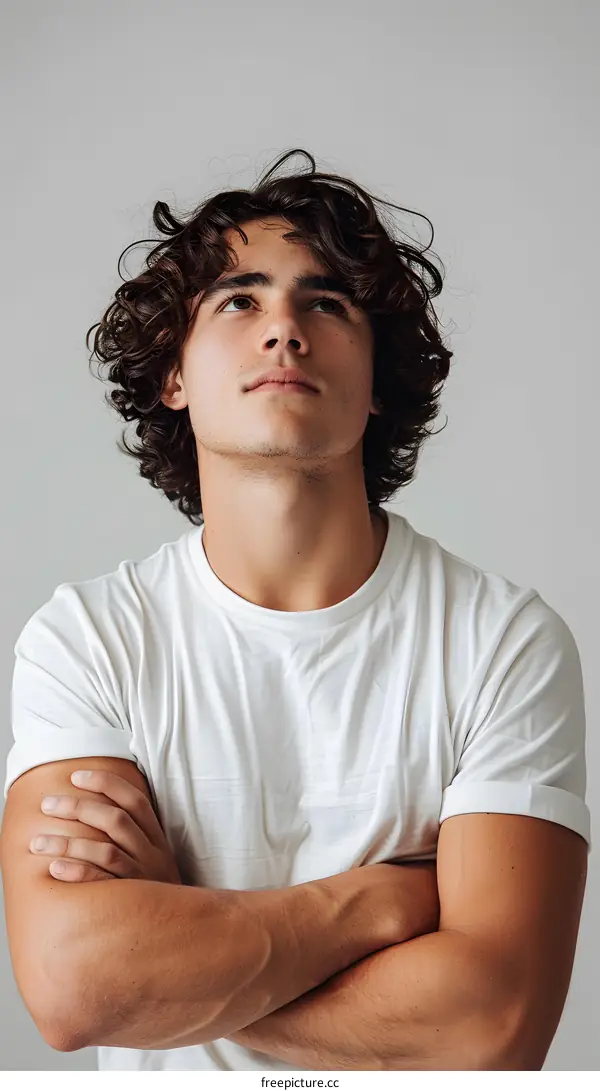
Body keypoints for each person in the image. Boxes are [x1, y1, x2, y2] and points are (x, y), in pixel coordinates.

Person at [1, 149, 590, 1072]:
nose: (284, 327)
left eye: (327, 302)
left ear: (379, 378)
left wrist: (179, 963)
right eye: (239, 300)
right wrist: (378, 902)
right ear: (174, 375)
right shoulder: (88, 641)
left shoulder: (502, 641)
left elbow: (493, 1022)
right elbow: (76, 986)